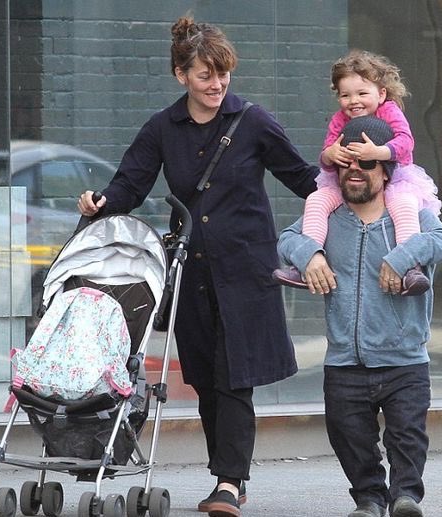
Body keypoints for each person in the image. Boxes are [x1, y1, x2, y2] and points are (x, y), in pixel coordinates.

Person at [78, 15, 318, 517]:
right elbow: (130, 184)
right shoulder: (163, 127)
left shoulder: (253, 121)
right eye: (206, 75)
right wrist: (100, 204)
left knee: (236, 375)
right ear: (181, 74)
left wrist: (359, 183)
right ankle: (229, 478)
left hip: (247, 272)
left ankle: (229, 482)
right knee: (207, 377)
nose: (217, 84)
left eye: (223, 73)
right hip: (190, 272)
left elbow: (301, 178)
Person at [276, 116, 442, 517]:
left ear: (386, 170)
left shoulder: (411, 216)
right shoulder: (326, 219)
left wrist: (402, 257)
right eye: (345, 164)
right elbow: (287, 239)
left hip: (404, 357)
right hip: (344, 358)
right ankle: (370, 500)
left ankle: (406, 497)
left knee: (407, 437)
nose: (354, 171)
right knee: (349, 437)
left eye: (366, 164)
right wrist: (311, 254)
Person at [274, 50, 441, 296]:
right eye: (346, 95)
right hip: (349, 183)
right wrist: (330, 156)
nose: (354, 101)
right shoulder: (339, 118)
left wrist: (378, 152)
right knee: (316, 200)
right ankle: (306, 262)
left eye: (362, 93)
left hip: (395, 178)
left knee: (404, 207)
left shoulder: (389, 111)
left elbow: (406, 142)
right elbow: (327, 152)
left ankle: (410, 268)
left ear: (381, 93)